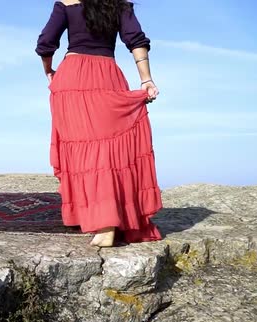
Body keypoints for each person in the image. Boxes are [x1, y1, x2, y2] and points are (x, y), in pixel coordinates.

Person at [35, 0, 163, 247]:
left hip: (71, 78)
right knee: (106, 150)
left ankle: (102, 223)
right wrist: (146, 79)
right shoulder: (118, 5)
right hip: (107, 75)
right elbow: (136, 40)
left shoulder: (66, 2)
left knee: (82, 150)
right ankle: (100, 218)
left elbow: (46, 43)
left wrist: (49, 71)